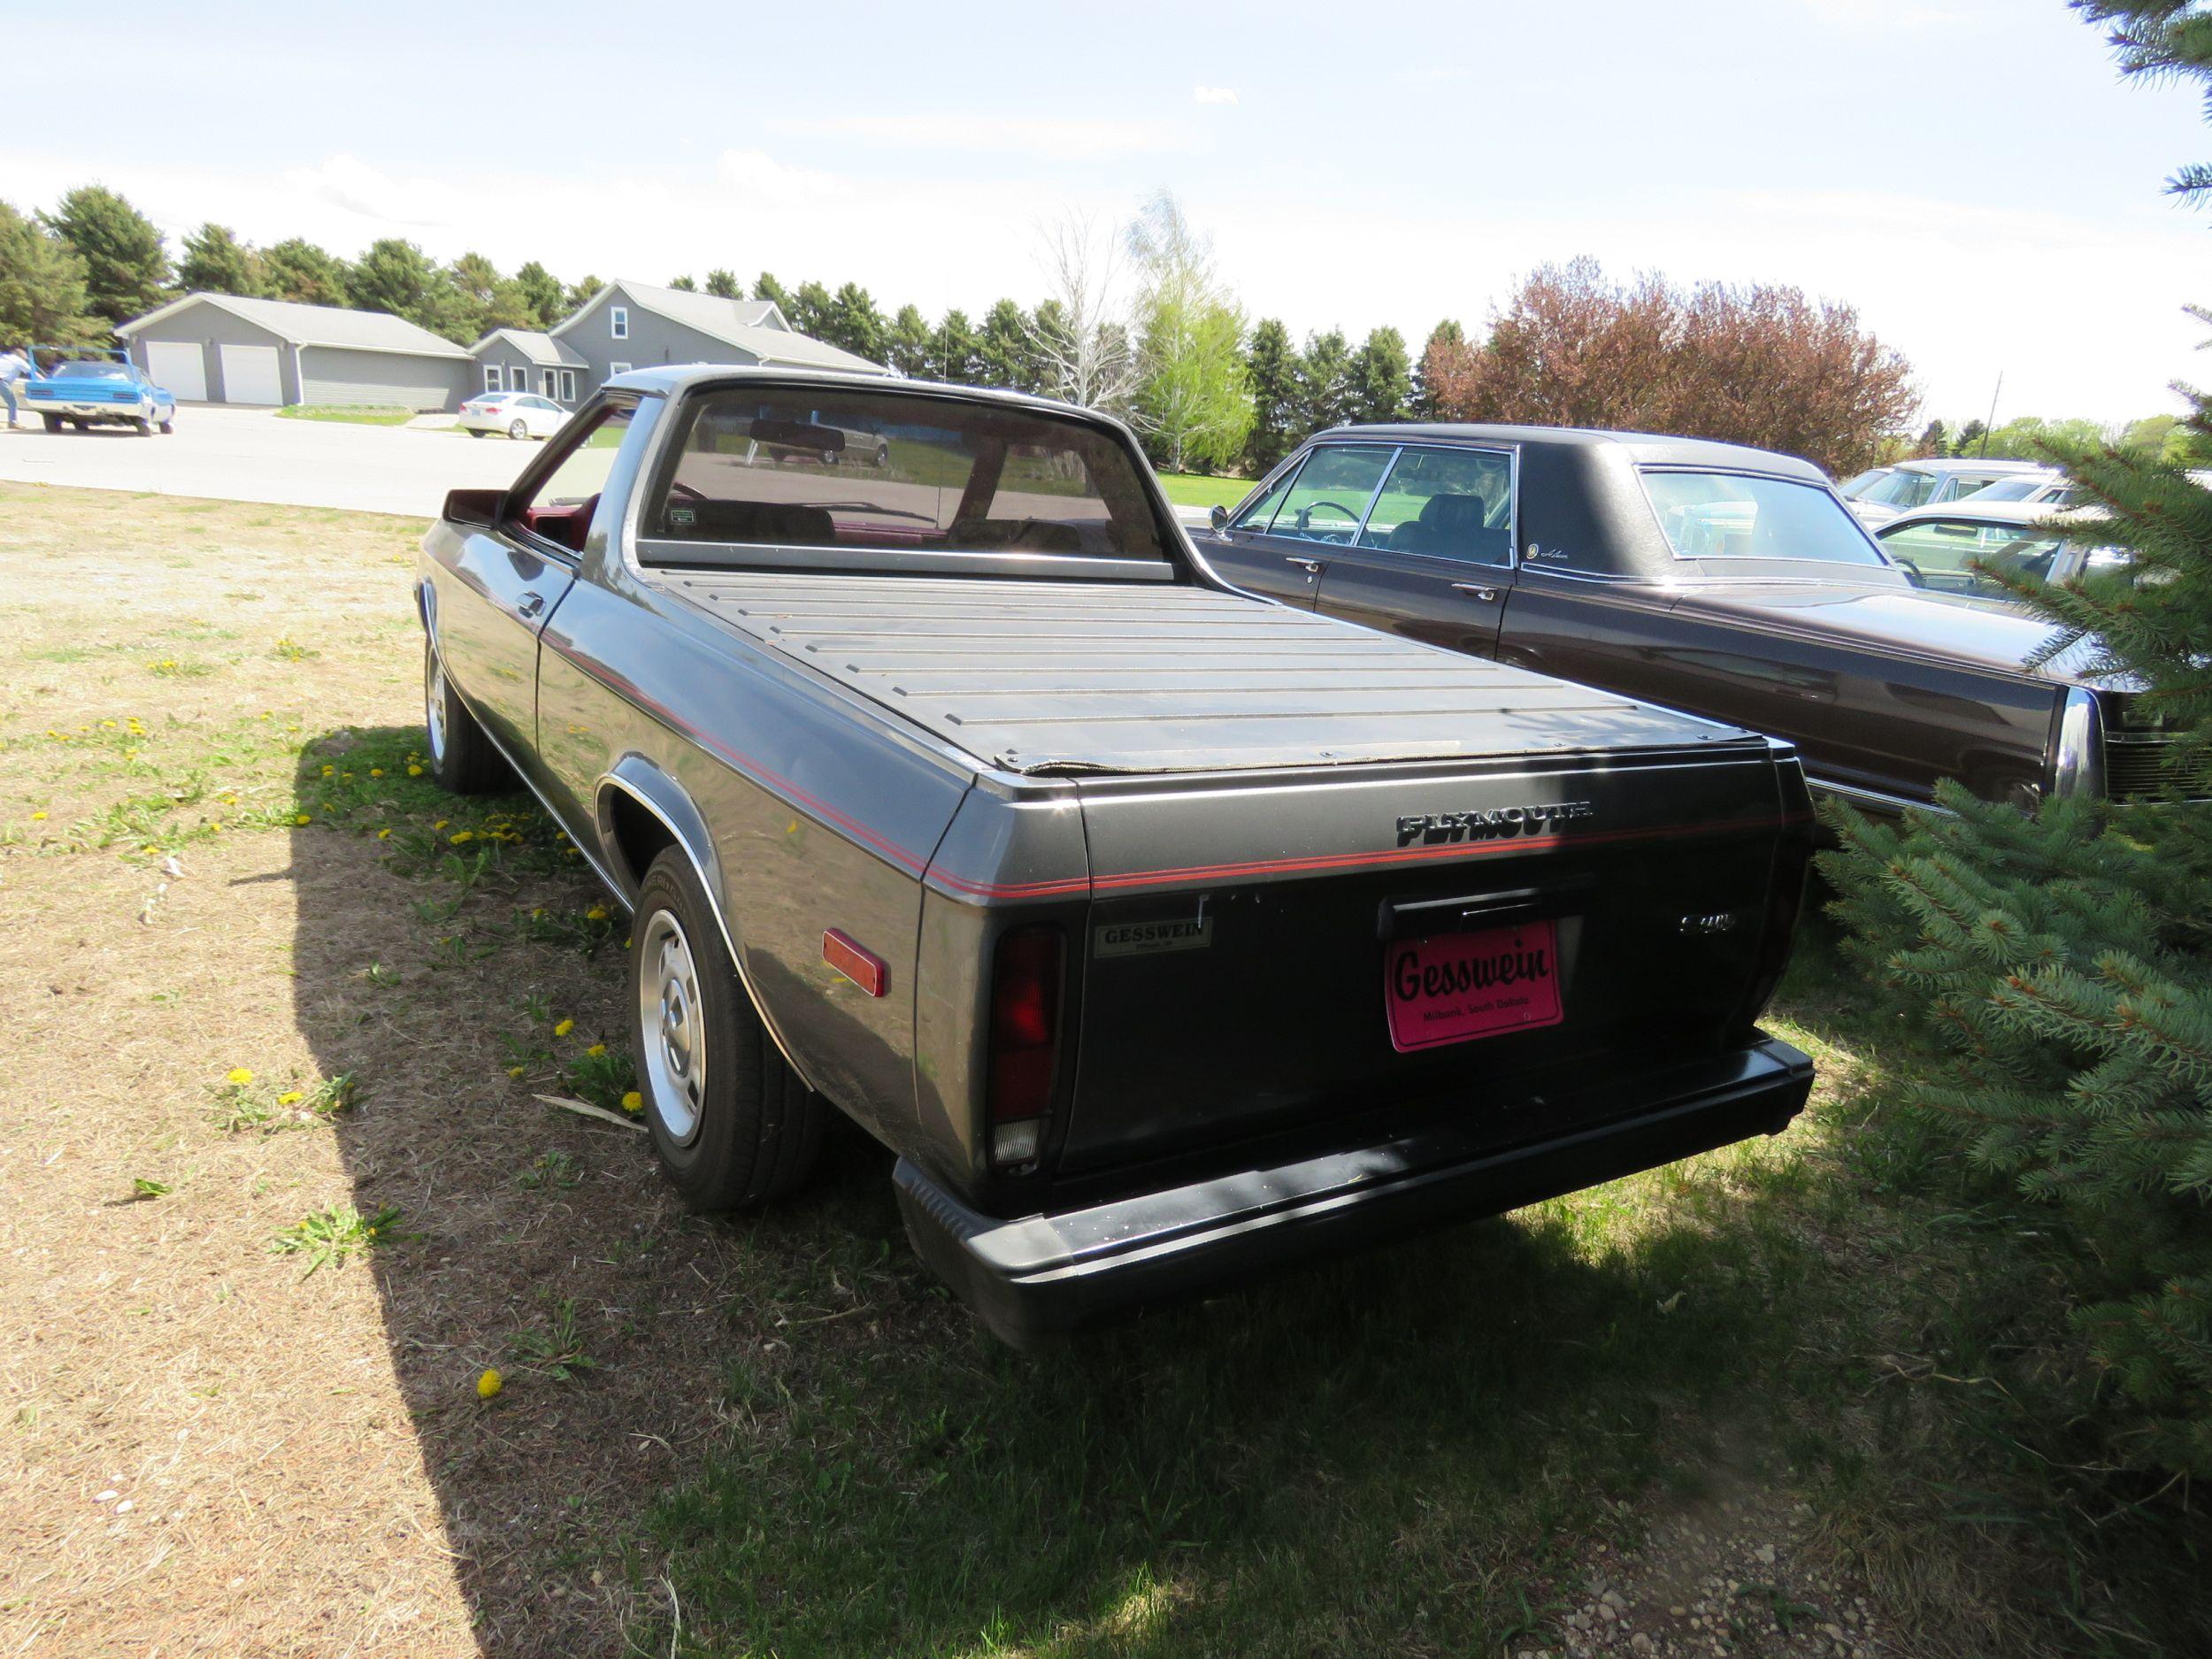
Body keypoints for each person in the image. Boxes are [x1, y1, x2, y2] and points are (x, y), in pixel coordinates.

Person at [0, 345, 29, 429]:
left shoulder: (4, 357)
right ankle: (12, 422)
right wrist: (43, 379)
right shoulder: (18, 360)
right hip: (2, 382)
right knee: (12, 402)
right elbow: (30, 371)